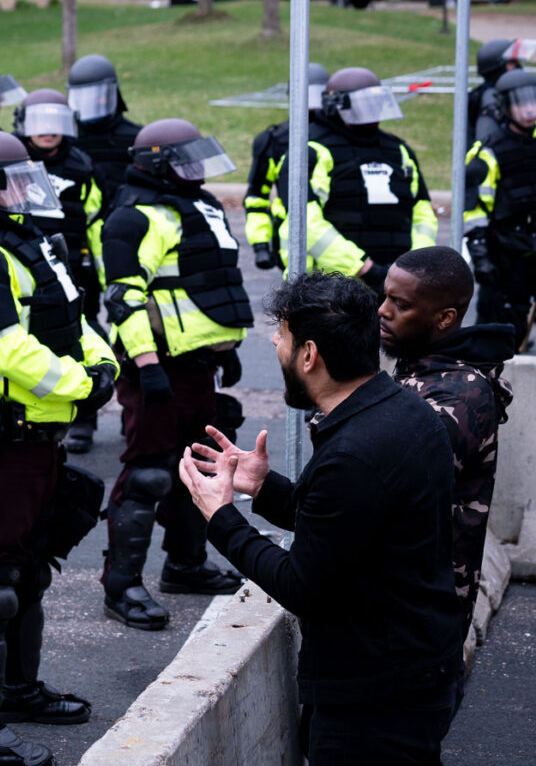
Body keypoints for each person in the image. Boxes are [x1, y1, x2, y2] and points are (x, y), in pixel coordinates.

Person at [182, 271, 463, 765]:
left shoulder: (354, 452)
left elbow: (302, 584)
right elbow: (347, 530)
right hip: (415, 671)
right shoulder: (401, 409)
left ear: (309, 355)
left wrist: (221, 517)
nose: (274, 344)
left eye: (283, 337)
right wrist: (263, 486)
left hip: (373, 700)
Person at [0, 130, 116, 766]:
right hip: (4, 440)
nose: (25, 189)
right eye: (11, 179)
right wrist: (82, 384)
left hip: (41, 433)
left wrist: (100, 362)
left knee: (28, 572)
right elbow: (9, 349)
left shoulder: (27, 239)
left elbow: (70, 319)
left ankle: (15, 690)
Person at [98, 118, 250, 631]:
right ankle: (121, 587)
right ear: (159, 165)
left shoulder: (198, 204)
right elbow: (124, 296)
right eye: (185, 160)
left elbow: (207, 283)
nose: (197, 170)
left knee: (197, 468)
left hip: (195, 364)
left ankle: (185, 565)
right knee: (147, 475)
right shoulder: (133, 217)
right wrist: (146, 365)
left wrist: (221, 348)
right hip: (156, 365)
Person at [381, 247, 515, 644]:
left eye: (399, 304)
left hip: (421, 625)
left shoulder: (459, 394)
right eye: (385, 296)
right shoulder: (422, 368)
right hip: (397, 611)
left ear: (444, 318)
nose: (382, 311)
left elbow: (385, 477)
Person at [278, 66, 437, 295]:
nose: (371, 114)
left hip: (398, 284)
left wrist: (414, 267)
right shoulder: (310, 151)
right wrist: (366, 269)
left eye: (375, 104)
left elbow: (422, 213)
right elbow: (305, 222)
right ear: (335, 106)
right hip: (331, 289)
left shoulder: (398, 150)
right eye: (363, 106)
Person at [14, 88, 106, 453]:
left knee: (78, 337)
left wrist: (102, 271)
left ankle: (84, 418)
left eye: (55, 122)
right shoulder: (11, 162)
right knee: (28, 339)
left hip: (76, 268)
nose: (47, 131)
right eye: (39, 122)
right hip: (23, 266)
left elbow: (97, 219)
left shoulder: (83, 166)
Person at [464, 68, 536, 348]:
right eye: (521, 103)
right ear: (505, 107)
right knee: (498, 325)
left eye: (533, 100)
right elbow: (474, 209)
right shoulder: (487, 154)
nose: (529, 109)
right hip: (504, 253)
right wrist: (481, 255)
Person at [243, 62, 329, 271]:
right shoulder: (273, 141)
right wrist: (260, 244)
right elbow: (257, 198)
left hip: (337, 237)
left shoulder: (342, 137)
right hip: (291, 240)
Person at [66, 53, 143, 210]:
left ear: (111, 95)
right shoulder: (67, 139)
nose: (92, 101)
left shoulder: (135, 137)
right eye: (82, 96)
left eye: (96, 95)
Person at [467, 38, 524, 148]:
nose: (518, 67)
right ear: (497, 68)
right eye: (512, 63)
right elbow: (487, 144)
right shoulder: (491, 99)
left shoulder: (505, 95)